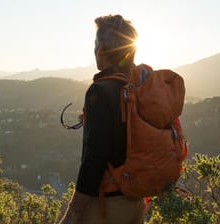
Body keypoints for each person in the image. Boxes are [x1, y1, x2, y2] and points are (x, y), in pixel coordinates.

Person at [59, 14, 144, 224]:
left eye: (96, 43)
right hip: (135, 203)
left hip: (107, 206)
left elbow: (94, 158)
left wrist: (72, 214)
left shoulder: (100, 90)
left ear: (101, 49)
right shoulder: (138, 87)